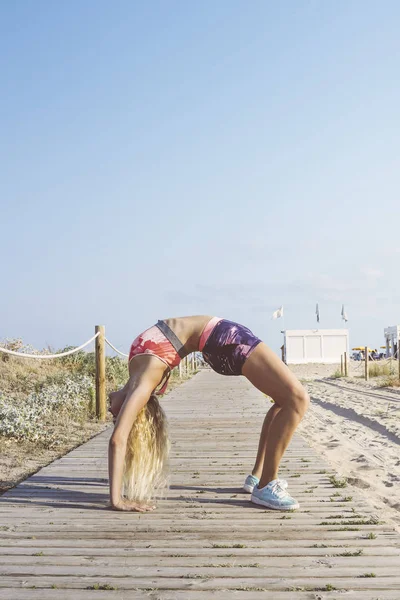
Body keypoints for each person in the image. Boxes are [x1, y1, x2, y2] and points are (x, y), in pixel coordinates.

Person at [108, 315, 309, 513]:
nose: (112, 413)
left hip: (219, 337)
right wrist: (116, 500)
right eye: (118, 417)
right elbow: (118, 439)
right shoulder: (143, 381)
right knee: (297, 399)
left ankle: (257, 477)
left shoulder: (136, 365)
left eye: (116, 417)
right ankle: (266, 485)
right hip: (222, 340)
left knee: (284, 401)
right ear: (136, 409)